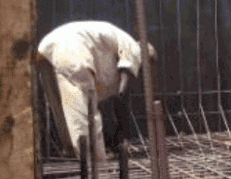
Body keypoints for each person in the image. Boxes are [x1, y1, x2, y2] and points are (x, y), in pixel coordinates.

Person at [36, 21, 156, 161]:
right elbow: (123, 86)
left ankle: (70, 149)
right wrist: (122, 123)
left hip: (47, 48)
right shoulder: (135, 47)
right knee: (87, 111)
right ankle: (95, 160)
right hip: (73, 48)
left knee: (62, 107)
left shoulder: (116, 42)